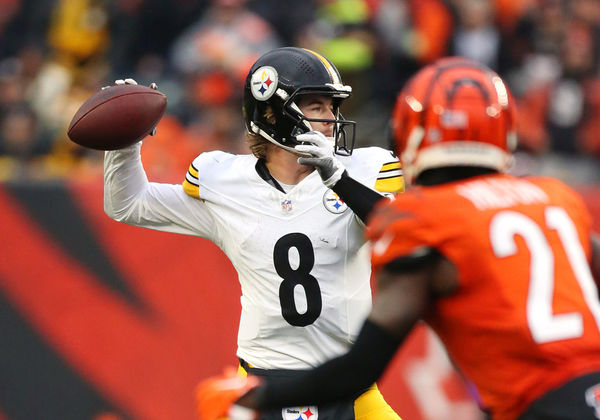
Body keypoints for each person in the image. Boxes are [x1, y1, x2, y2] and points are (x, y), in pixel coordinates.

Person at [197, 57, 600, 420]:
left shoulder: (428, 220)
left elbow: (359, 368)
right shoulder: (557, 196)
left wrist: (256, 398)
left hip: (537, 406)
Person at [103, 47, 404, 420]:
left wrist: (337, 178)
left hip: (351, 386)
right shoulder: (227, 182)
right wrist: (124, 143)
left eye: (331, 106)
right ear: (273, 113)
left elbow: (404, 234)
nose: (331, 119)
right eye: (315, 106)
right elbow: (128, 204)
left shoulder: (362, 170)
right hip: (264, 385)